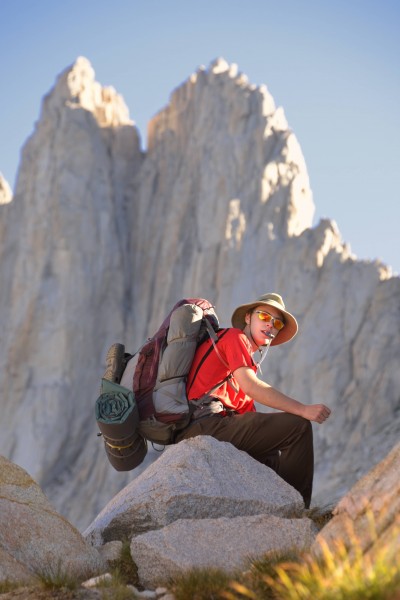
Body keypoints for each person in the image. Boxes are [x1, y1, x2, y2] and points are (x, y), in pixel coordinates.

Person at [175, 292, 331, 508]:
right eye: (265, 317)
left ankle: (281, 510)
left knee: (270, 456)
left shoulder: (244, 361)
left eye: (277, 323)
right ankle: (300, 513)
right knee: (298, 427)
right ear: (248, 317)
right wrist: (302, 410)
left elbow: (249, 416)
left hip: (209, 426)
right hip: (204, 425)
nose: (271, 326)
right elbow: (252, 386)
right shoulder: (234, 338)